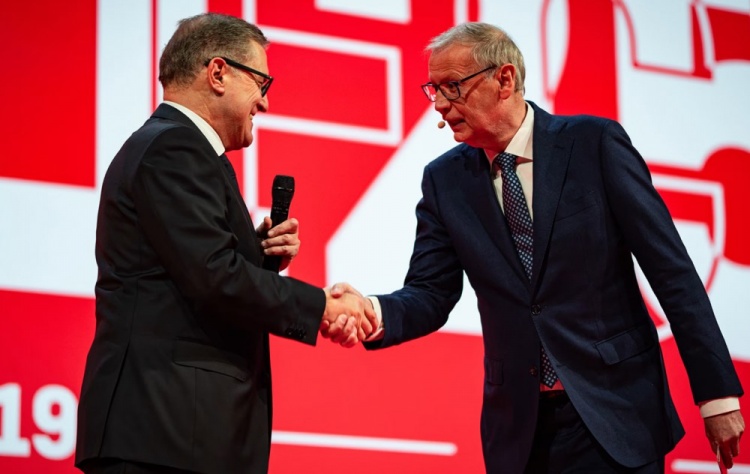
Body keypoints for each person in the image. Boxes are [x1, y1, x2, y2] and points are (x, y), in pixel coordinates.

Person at [326, 22, 744, 473]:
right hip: (520, 430)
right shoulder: (445, 181)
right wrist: (372, 311)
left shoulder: (593, 144)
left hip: (617, 411)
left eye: (453, 87)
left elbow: (671, 271)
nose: (441, 105)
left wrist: (716, 394)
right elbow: (431, 292)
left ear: (504, 79)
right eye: (434, 90)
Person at [75, 13, 373, 474]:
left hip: (178, 433)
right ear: (218, 73)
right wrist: (323, 307)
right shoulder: (175, 149)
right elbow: (214, 277)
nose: (265, 103)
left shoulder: (177, 149)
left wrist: (257, 254)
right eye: (261, 83)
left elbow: (188, 270)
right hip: (163, 432)